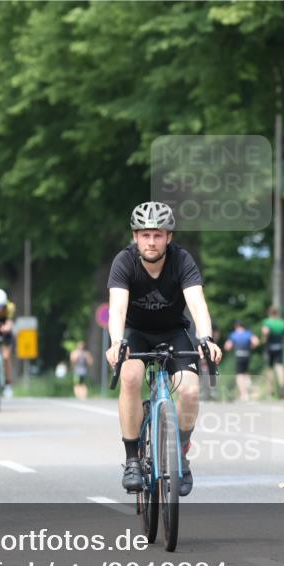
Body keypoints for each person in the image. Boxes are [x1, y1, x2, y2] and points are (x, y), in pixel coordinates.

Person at [105, 201, 222, 496]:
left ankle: (180, 453)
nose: (151, 241)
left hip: (173, 332)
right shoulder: (124, 261)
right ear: (135, 236)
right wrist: (117, 343)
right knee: (131, 379)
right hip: (135, 333)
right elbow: (117, 309)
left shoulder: (182, 260)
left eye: (158, 235)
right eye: (145, 235)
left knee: (191, 391)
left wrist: (206, 339)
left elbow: (196, 303)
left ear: (169, 237)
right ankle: (133, 459)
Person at [224, 320, 259, 401]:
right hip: (247, 354)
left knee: (239, 375)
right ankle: (249, 387)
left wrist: (231, 348)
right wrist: (251, 347)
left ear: (236, 326)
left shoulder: (233, 335)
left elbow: (227, 346)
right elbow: (256, 342)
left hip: (238, 355)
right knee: (246, 372)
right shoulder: (248, 333)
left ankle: (244, 394)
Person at [261, 306, 284, 398]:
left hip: (270, 348)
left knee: (270, 369)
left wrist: (264, 340)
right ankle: (282, 387)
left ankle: (271, 389)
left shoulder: (267, 322)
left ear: (269, 313)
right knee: (280, 367)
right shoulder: (283, 323)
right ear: (277, 313)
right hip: (280, 347)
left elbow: (265, 333)